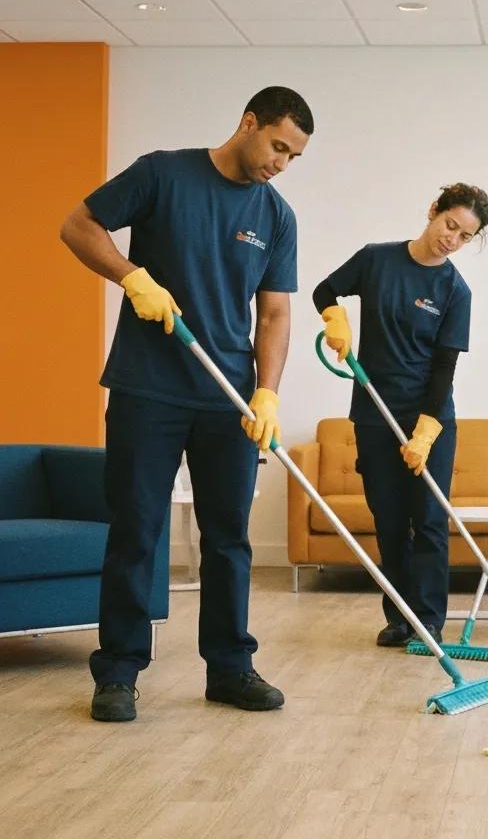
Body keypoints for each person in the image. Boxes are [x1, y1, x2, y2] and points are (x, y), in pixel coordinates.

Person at [60, 86, 313, 722]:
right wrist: (131, 276)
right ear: (248, 122)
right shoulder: (163, 173)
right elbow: (77, 224)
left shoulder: (277, 215)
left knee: (228, 538)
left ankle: (230, 668)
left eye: (294, 156)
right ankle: (118, 672)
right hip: (148, 387)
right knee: (136, 531)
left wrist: (267, 392)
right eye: (277, 145)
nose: (280, 162)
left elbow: (276, 309)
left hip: (228, 398)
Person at [312, 184, 488, 647]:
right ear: (433, 211)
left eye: (465, 236)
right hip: (373, 413)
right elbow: (324, 290)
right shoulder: (376, 260)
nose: (452, 239)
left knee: (428, 519)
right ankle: (399, 615)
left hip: (429, 418)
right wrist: (337, 319)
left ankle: (429, 619)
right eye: (450, 225)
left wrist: (428, 429)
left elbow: (444, 367)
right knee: (389, 521)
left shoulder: (455, 290)